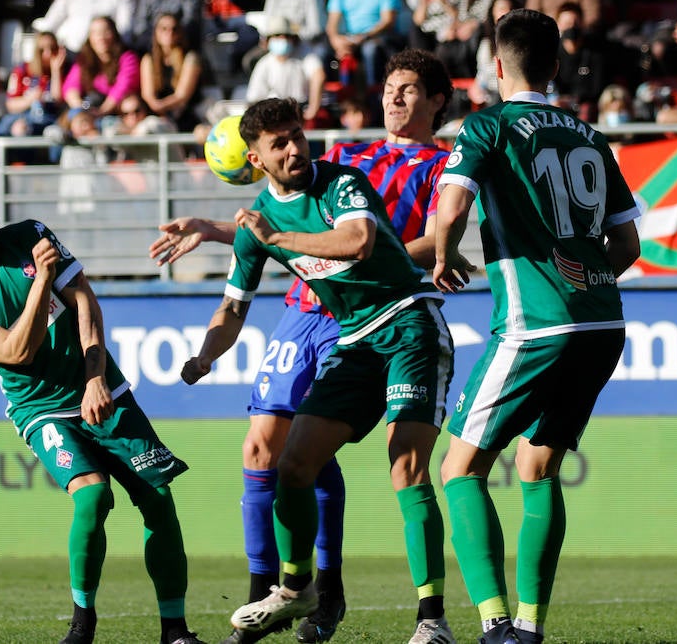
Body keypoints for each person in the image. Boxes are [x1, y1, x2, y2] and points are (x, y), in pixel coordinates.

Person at [151, 49, 455, 644]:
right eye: (280, 144)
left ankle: (431, 620)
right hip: (349, 336)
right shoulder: (267, 213)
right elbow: (235, 302)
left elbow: (360, 240)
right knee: (288, 460)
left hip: (406, 322)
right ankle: (293, 589)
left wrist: (273, 236)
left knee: (407, 466)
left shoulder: (346, 177)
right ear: (254, 159)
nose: (294, 150)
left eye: (298, 137)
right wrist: (206, 355)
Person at [0, 174, 204, 644]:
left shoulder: (31, 233)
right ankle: (82, 622)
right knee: (93, 497)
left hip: (102, 388)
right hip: (41, 407)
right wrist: (42, 281)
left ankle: (174, 630)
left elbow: (85, 303)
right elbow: (16, 352)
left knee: (157, 500)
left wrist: (95, 378)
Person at [431, 7, 640, 644]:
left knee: (459, 469)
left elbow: (453, 204)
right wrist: (583, 276)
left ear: (496, 67)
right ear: (555, 66)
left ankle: (494, 623)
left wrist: (443, 255)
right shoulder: (587, 135)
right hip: (603, 323)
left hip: (535, 323)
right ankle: (529, 626)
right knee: (537, 467)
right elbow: (627, 244)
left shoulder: (487, 125)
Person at [140, 13, 206, 131]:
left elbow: (182, 96)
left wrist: (161, 106)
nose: (169, 32)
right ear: (156, 32)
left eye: (174, 29)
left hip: (186, 113)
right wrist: (157, 108)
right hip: (158, 114)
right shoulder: (148, 59)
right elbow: (148, 94)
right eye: (164, 28)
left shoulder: (190, 57)